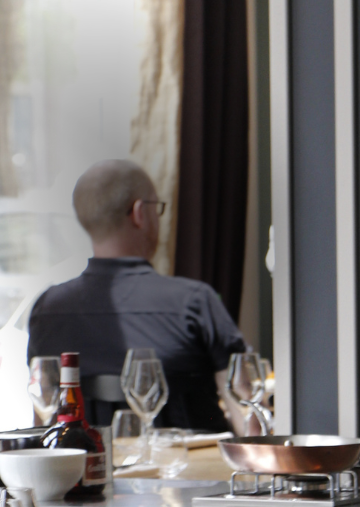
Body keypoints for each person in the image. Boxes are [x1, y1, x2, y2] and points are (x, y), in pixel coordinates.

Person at [28, 159, 247, 431]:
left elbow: (42, 417)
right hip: (187, 459)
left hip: (87, 458)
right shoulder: (194, 302)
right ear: (139, 213)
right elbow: (246, 411)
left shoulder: (47, 311)